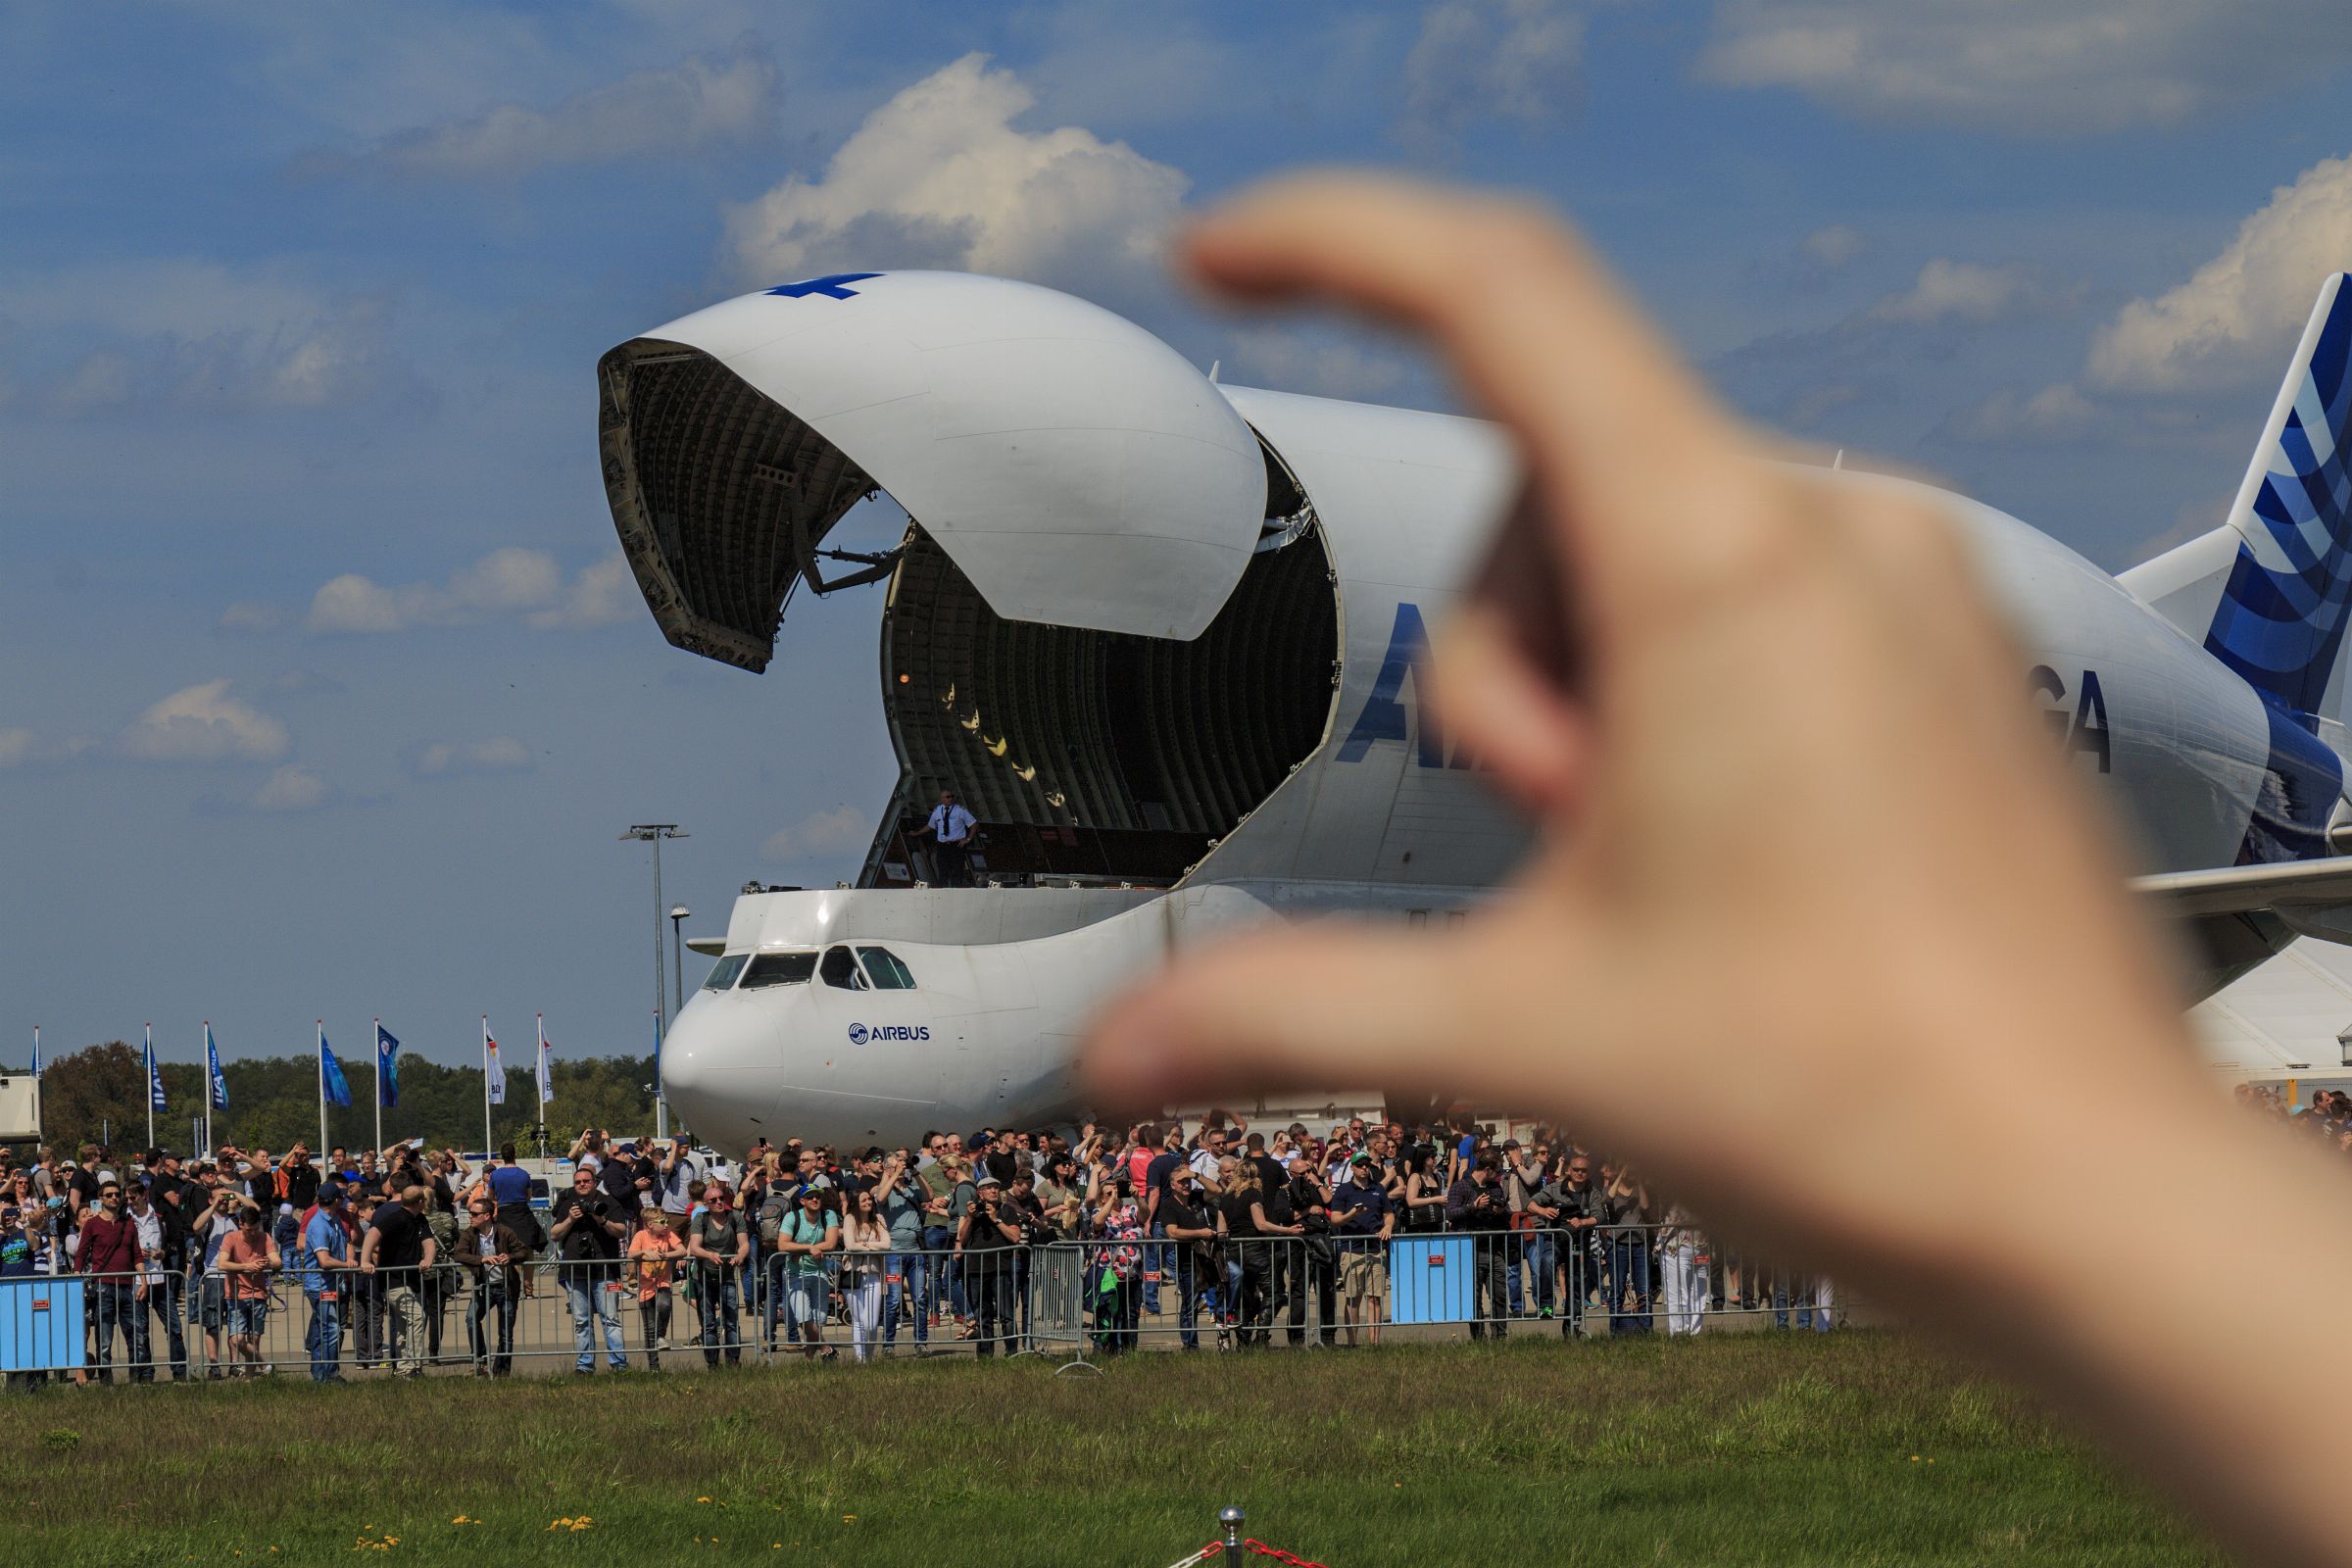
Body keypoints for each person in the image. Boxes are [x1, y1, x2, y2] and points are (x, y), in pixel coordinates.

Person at [547, 1167, 629, 1374]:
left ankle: (619, 1365)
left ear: (594, 1182)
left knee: (610, 1319)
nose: (582, 1184)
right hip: (575, 1272)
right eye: (578, 1182)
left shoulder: (607, 1202)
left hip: (606, 1271)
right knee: (582, 1321)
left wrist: (600, 1218)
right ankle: (584, 1366)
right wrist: (570, 1219)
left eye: (586, 1181)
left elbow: (621, 1231)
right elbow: (554, 1234)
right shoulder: (568, 1204)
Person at [360, 1185, 437, 1377]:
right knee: (418, 1318)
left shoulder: (419, 1218)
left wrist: (428, 1259)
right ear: (421, 1202)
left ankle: (403, 1369)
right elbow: (372, 1234)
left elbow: (428, 1241)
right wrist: (365, 1261)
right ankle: (411, 1367)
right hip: (394, 1282)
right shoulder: (395, 1218)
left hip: (410, 1280)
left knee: (405, 1326)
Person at [76, 1176, 147, 1381]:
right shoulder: (92, 1225)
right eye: (109, 1195)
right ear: (101, 1199)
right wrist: (76, 1274)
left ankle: (136, 1380)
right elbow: (81, 1252)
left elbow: (137, 1255)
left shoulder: (129, 1224)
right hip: (103, 1287)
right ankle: (106, 1382)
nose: (115, 1198)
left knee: (136, 1336)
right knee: (104, 1339)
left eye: (117, 1194)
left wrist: (143, 1281)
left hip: (128, 1286)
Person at [454, 1196, 528, 1376]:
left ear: (487, 1216)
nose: (470, 1216)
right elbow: (459, 1254)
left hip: (506, 1287)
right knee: (472, 1319)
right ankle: (481, 1361)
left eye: (474, 1213)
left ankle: (502, 1371)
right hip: (484, 1287)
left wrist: (509, 1257)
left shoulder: (504, 1232)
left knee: (505, 1331)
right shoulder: (469, 1234)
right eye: (469, 1213)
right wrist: (481, 1260)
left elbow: (522, 1251)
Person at [1329, 1152, 1392, 1348]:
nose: (1364, 1168)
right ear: (1353, 1168)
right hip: (1352, 1250)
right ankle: (1352, 1343)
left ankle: (1374, 1343)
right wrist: (1353, 1213)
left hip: (1375, 1250)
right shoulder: (1343, 1191)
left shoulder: (1378, 1188)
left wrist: (1387, 1227)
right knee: (1353, 1299)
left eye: (1366, 1165)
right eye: (1360, 1165)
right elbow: (1335, 1219)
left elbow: (1388, 1213)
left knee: (1375, 1298)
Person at [1446, 1155, 1511, 1340]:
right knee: (1474, 1298)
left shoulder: (1495, 1188)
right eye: (1496, 1171)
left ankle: (1500, 1336)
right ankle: (1478, 1337)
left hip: (1494, 1248)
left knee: (1499, 1294)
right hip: (1471, 1249)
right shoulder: (1461, 1186)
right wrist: (1473, 1206)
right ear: (1487, 1170)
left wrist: (1500, 1211)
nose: (1498, 1176)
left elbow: (1506, 1212)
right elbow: (1451, 1212)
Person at [957, 1172, 1020, 1356]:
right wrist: (969, 1217)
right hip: (976, 1269)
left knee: (1006, 1315)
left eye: (996, 1187)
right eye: (988, 1188)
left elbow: (1015, 1237)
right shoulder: (974, 1212)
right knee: (982, 1315)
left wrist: (996, 1219)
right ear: (980, 1193)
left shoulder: (1006, 1210)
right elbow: (962, 1238)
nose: (993, 1191)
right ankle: (985, 1355)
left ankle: (1012, 1352)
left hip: (1000, 1268)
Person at [774, 1186, 840, 1360]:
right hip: (796, 1273)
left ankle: (808, 1361)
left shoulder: (829, 1215)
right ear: (802, 1201)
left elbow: (831, 1243)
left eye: (817, 1196)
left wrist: (803, 1249)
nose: (815, 1200)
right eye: (810, 1197)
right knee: (803, 1317)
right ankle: (826, 1348)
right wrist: (808, 1248)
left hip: (820, 1272)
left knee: (819, 1319)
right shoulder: (792, 1217)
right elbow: (782, 1245)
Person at [214, 1202, 278, 1377]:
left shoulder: (264, 1237)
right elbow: (222, 1264)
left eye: (256, 1229)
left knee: (255, 1339)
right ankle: (265, 1365)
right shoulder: (231, 1238)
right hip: (236, 1295)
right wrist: (247, 1266)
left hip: (258, 1293)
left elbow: (277, 1261)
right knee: (238, 1339)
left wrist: (267, 1263)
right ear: (241, 1224)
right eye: (249, 1229)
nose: (253, 1233)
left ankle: (249, 1378)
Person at [689, 1185, 749, 1367]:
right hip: (704, 1277)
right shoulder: (701, 1219)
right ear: (707, 1204)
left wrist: (740, 1255)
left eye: (721, 1198)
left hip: (727, 1276)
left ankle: (733, 1360)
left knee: (731, 1320)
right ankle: (712, 1363)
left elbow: (744, 1244)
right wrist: (709, 1255)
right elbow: (695, 1247)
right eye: (713, 1200)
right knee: (708, 1323)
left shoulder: (735, 1217)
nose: (719, 1202)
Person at [298, 1183, 353, 1382]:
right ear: (335, 1200)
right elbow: (324, 1261)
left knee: (327, 1331)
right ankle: (326, 1374)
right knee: (329, 1330)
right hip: (319, 1286)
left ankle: (324, 1374)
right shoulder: (319, 1225)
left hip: (332, 1285)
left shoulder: (335, 1219)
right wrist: (348, 1265)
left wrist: (349, 1258)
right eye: (341, 1197)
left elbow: (346, 1242)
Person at [626, 1208, 685, 1370]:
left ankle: (661, 1335)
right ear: (649, 1225)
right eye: (662, 1222)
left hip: (663, 1283)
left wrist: (666, 1256)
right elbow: (630, 1254)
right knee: (649, 1328)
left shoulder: (668, 1234)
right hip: (645, 1288)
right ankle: (654, 1366)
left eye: (666, 1221)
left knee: (664, 1305)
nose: (666, 1225)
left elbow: (682, 1250)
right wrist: (644, 1252)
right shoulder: (640, 1236)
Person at [839, 1187, 892, 1363]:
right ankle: (861, 1359)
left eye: (869, 1199)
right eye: (864, 1200)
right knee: (858, 1320)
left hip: (874, 1275)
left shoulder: (879, 1219)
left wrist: (865, 1245)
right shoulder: (849, 1219)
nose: (868, 1202)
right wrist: (870, 1245)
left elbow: (887, 1245)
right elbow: (850, 1245)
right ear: (856, 1204)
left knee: (871, 1322)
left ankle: (868, 1356)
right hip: (853, 1275)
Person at [915, 786, 977, 886]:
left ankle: (957, 891)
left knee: (957, 871)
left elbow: (974, 824)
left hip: (957, 845)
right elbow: (930, 825)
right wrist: (917, 833)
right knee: (943, 871)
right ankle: (942, 891)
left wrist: (968, 839)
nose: (950, 798)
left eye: (951, 796)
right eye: (947, 797)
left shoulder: (960, 810)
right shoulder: (937, 811)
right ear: (942, 799)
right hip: (942, 845)